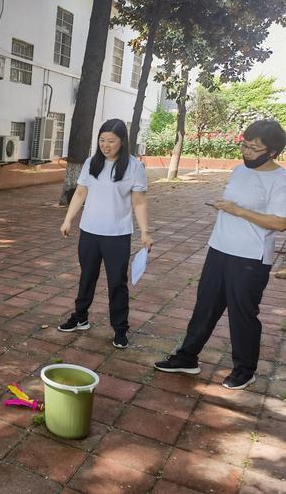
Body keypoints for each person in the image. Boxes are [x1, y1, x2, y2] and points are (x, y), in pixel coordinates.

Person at [155, 119, 286, 390]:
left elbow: (280, 222)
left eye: (254, 148)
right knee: (205, 306)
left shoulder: (280, 180)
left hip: (250, 258)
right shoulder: (239, 171)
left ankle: (244, 369)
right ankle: (187, 357)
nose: (246, 152)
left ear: (272, 152)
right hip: (220, 249)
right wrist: (226, 207)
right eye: (245, 145)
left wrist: (238, 211)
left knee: (242, 313)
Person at [58, 118, 153, 348]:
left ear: (122, 142)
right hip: (89, 231)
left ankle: (120, 329)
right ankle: (80, 317)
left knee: (117, 283)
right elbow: (80, 193)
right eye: (102, 140)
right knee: (87, 277)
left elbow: (139, 202)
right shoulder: (92, 162)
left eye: (111, 141)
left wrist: (145, 232)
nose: (105, 145)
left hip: (117, 235)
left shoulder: (133, 166)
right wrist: (68, 219)